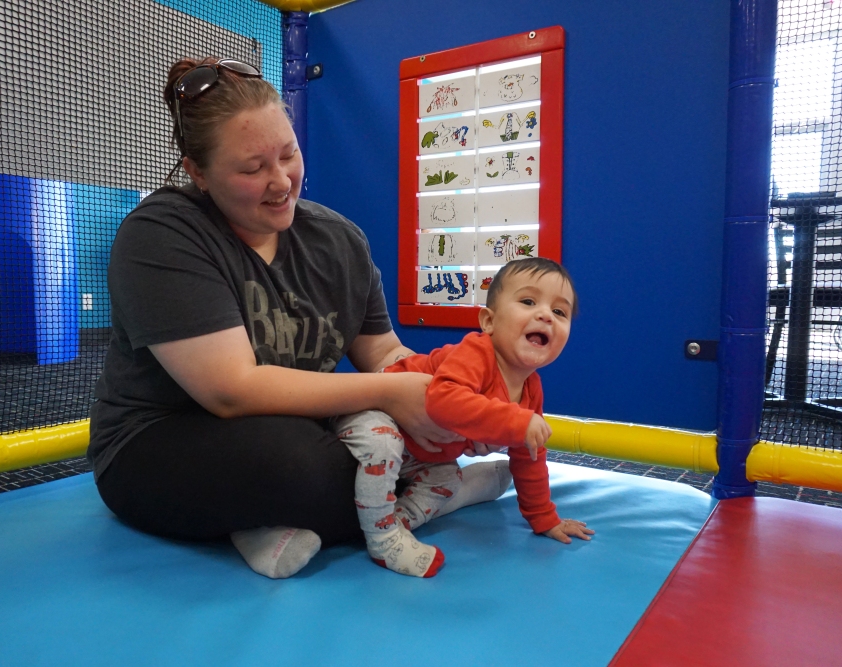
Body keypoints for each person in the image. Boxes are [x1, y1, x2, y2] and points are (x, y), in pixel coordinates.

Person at [86, 57, 510, 580]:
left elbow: (382, 355)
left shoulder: (338, 240)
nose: (282, 181)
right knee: (300, 469)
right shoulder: (162, 234)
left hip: (293, 429)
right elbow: (230, 390)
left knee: (376, 453)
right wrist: (397, 394)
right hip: (158, 441)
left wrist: (455, 392)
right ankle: (445, 492)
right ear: (197, 172)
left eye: (289, 154)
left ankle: (264, 521)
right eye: (251, 168)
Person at [335, 258, 596, 578]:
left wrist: (544, 517)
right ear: (488, 321)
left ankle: (394, 521)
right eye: (528, 301)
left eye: (560, 312)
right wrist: (515, 421)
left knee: (446, 479)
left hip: (418, 452)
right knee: (383, 442)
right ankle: (381, 539)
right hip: (375, 413)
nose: (545, 314)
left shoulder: (530, 388)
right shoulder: (477, 353)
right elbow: (442, 401)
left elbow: (530, 455)